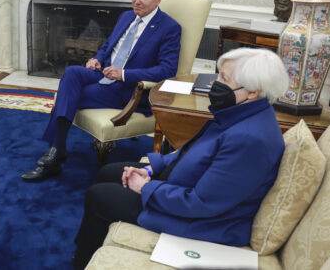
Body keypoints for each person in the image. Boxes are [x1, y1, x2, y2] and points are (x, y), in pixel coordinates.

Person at [70, 48, 288, 269]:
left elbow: (202, 203)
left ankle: (81, 260)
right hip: (187, 184)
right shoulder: (241, 114)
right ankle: (89, 244)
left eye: (224, 78)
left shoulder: (251, 140)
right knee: (110, 172)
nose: (215, 84)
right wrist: (151, 170)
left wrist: (146, 187)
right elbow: (192, 153)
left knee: (99, 196)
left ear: (252, 91)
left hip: (205, 222)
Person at [21, 0, 181, 182]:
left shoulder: (169, 28)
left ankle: (54, 154)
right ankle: (56, 152)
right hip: (103, 74)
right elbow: (109, 46)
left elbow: (167, 71)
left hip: (129, 88)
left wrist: (123, 74)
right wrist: (96, 58)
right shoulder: (126, 16)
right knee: (71, 73)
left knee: (68, 96)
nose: (136, 1)